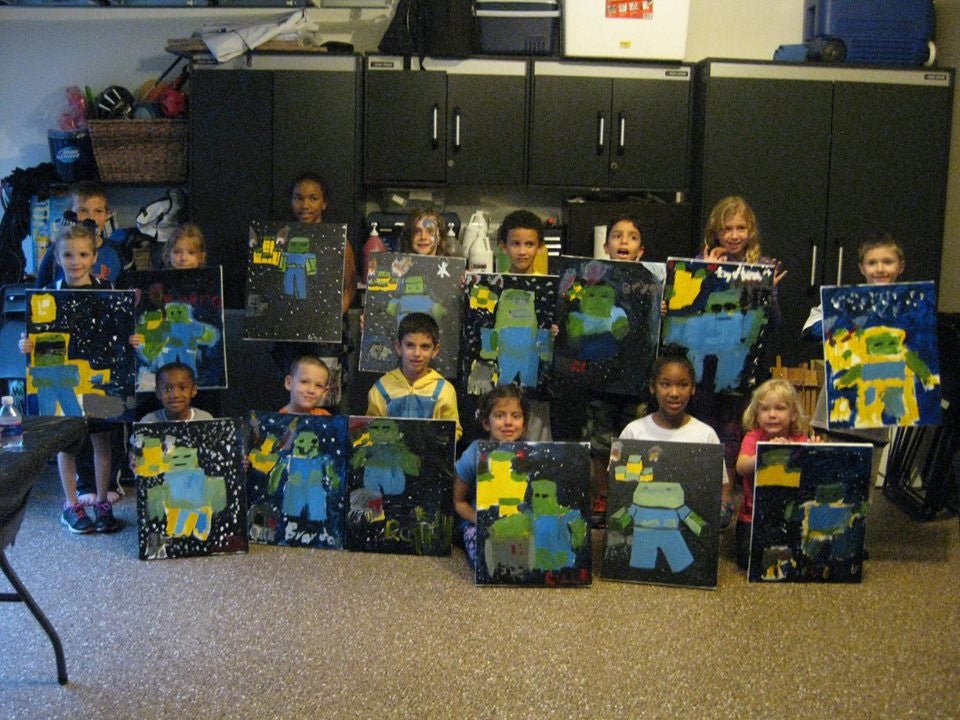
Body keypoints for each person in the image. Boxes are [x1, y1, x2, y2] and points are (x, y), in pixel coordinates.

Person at [19, 222, 134, 534]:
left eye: (83, 254)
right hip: (63, 380)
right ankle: (71, 504)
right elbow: (35, 338)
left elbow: (121, 331)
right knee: (67, 444)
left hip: (99, 377)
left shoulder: (108, 291)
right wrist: (26, 345)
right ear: (58, 258)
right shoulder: (47, 294)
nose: (76, 261)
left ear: (94, 257)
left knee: (102, 440)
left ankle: (102, 501)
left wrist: (132, 340)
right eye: (68, 255)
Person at [694, 196, 786, 529]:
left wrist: (769, 294)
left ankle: (725, 497)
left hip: (743, 364)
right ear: (716, 232)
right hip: (705, 363)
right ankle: (701, 494)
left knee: (733, 431)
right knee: (705, 427)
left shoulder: (763, 265)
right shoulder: (700, 261)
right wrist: (705, 272)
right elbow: (686, 311)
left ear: (751, 230)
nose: (734, 235)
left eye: (740, 228)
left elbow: (773, 324)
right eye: (727, 229)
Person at [734, 378, 818, 569]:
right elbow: (741, 467)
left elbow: (812, 477)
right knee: (748, 561)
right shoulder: (753, 437)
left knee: (803, 557)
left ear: (793, 414)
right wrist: (767, 453)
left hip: (789, 515)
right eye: (765, 409)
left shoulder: (800, 439)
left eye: (780, 408)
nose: (772, 415)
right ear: (756, 414)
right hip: (753, 517)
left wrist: (814, 452)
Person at [453, 384, 528, 566]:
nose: (508, 422)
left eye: (516, 416)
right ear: (487, 423)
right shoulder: (474, 453)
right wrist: (478, 520)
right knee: (487, 560)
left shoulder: (531, 455)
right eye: (499, 415)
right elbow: (458, 501)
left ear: (524, 425)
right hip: (478, 521)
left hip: (517, 521)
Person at [496, 209, 554, 441]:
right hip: (502, 378)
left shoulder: (549, 288)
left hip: (536, 381)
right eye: (515, 244)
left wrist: (555, 332)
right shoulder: (493, 285)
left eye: (529, 244)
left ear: (540, 247)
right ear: (503, 246)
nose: (522, 251)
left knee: (536, 441)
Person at [365, 312, 462, 440]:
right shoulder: (381, 389)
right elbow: (371, 430)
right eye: (410, 345)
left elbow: (453, 432)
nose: (417, 353)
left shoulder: (445, 391)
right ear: (398, 347)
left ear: (435, 350)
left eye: (425, 347)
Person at [290, 172, 357, 313]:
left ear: (324, 203)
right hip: (289, 318)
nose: (305, 205)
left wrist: (333, 317)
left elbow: (349, 287)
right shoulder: (282, 238)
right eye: (298, 198)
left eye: (313, 198)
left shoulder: (338, 240)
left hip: (326, 319)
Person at [35, 180, 123, 286]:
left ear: (107, 214)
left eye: (98, 211)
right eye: (83, 211)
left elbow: (126, 290)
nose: (91, 217)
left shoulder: (116, 251)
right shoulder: (57, 250)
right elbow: (39, 291)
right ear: (70, 213)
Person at [137, 362, 214, 423]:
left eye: (182, 388)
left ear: (193, 390)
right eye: (168, 389)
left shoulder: (205, 419)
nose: (175, 395)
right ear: (158, 393)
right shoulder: (148, 422)